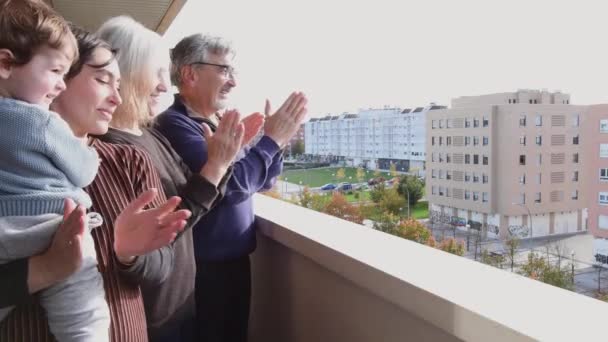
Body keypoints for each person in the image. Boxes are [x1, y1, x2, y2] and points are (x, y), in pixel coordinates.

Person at [0, 24, 204, 342]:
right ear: (58, 80)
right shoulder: (8, 162)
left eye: (119, 84)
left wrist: (129, 253)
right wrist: (43, 268)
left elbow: (164, 266)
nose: (117, 97)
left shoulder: (129, 160)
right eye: (102, 79)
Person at [96, 16, 248, 341]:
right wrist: (217, 165)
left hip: (180, 304)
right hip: (152, 318)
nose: (165, 86)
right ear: (126, 72)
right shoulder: (111, 148)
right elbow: (168, 225)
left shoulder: (149, 132)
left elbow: (192, 194)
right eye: (158, 74)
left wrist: (220, 161)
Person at [156, 33, 308, 341]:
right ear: (190, 73)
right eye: (224, 70)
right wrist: (272, 140)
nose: (233, 82)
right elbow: (234, 186)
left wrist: (272, 144)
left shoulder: (217, 122)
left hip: (232, 265)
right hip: (203, 271)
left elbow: (263, 180)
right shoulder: (176, 124)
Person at [0, 1, 110, 340]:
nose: (61, 85)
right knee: (83, 312)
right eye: (55, 71)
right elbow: (83, 172)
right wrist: (88, 154)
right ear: (5, 63)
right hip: (53, 222)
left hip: (5, 231)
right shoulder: (42, 121)